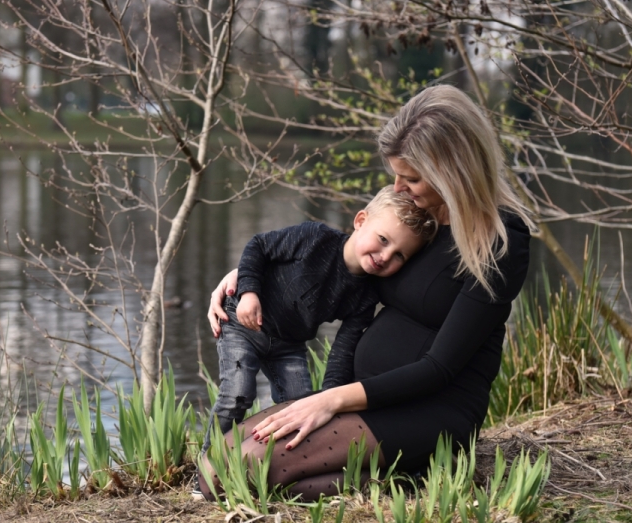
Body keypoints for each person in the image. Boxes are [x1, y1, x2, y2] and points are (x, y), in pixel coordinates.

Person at [200, 84, 533, 502]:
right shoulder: (423, 219)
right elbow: (348, 255)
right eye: (397, 174)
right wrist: (250, 278)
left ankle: (417, 470)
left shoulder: (501, 242)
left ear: (453, 170)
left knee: (248, 469)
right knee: (216, 464)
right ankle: (397, 475)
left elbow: (440, 368)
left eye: (411, 177)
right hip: (364, 395)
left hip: (430, 408)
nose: (398, 187)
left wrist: (330, 400)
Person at [203, 186, 437, 454]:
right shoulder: (315, 238)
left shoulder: (365, 296)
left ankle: (267, 463)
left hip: (288, 346)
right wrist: (248, 292)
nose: (385, 256)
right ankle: (209, 463)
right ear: (361, 221)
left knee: (298, 406)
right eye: (383, 239)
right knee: (238, 394)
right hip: (242, 323)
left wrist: (330, 397)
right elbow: (259, 246)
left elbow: (343, 348)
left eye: (399, 255)